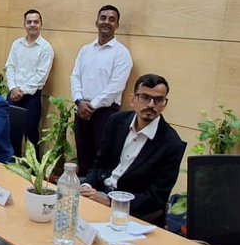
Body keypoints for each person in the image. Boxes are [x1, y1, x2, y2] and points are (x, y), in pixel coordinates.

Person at [79, 74, 184, 224]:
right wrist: (86, 187)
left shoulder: (171, 144)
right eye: (145, 97)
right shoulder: (116, 121)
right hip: (99, 196)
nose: (151, 105)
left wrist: (110, 201)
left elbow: (156, 198)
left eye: (158, 100)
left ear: (164, 104)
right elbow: (100, 164)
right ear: (133, 99)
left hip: (131, 212)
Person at [70, 4, 132, 175]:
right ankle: (82, 193)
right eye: (103, 18)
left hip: (105, 113)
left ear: (117, 25)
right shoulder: (85, 50)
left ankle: (95, 195)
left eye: (112, 19)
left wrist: (92, 105)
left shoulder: (122, 53)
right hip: (81, 109)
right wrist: (79, 101)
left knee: (101, 159)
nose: (107, 22)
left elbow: (116, 86)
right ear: (96, 21)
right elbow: (75, 77)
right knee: (83, 157)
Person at [5, 9, 55, 148]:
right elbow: (10, 67)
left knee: (31, 135)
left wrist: (21, 90)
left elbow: (41, 76)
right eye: (29, 22)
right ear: (24, 24)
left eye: (36, 22)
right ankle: (8, 164)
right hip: (13, 94)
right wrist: (13, 88)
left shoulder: (46, 48)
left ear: (41, 24)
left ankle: (32, 169)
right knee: (9, 131)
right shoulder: (16, 44)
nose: (32, 24)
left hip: (31, 98)